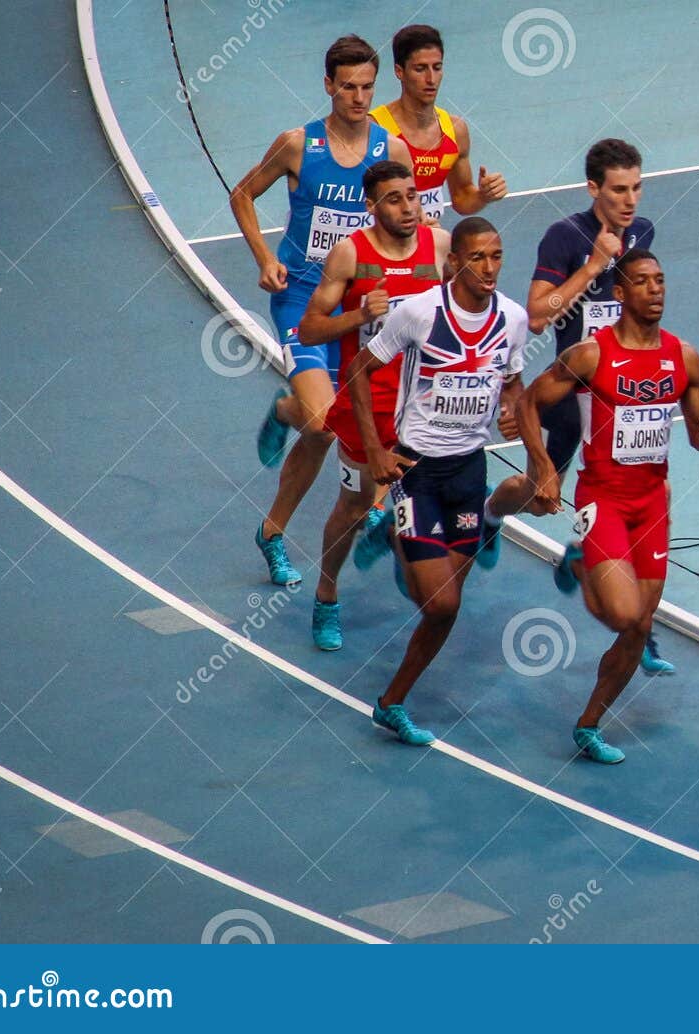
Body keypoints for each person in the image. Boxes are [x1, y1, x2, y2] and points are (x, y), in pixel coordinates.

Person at [518, 250, 699, 764]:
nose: (656, 290)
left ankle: (589, 723)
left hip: (653, 502)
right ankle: (582, 561)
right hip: (604, 498)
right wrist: (543, 465)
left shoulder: (685, 358)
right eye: (643, 282)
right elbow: (528, 401)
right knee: (623, 615)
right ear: (620, 293)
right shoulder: (592, 354)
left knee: (639, 626)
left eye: (661, 280)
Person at [483, 138, 675, 674]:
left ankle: (639, 627)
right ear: (593, 189)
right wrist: (592, 268)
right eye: (619, 189)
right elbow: (539, 314)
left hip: (620, 397)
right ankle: (491, 514)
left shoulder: (643, 233)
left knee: (639, 497)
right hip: (572, 392)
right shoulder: (564, 237)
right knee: (540, 496)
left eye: (637, 187)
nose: (630, 199)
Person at [228, 35, 409, 588]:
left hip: (360, 307)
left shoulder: (391, 151)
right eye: (348, 86)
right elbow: (242, 195)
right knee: (320, 425)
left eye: (367, 87)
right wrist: (264, 258)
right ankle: (290, 412)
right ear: (328, 86)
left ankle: (275, 532)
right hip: (301, 299)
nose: (358, 97)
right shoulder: (298, 145)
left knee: (378, 424)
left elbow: (410, 225)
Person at [345, 217, 529, 745]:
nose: (489, 267)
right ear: (454, 265)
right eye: (478, 258)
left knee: (444, 605)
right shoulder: (420, 312)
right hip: (416, 470)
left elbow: (514, 384)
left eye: (496, 256)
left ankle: (391, 703)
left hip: (471, 469)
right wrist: (376, 450)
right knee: (443, 604)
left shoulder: (512, 320)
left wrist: (514, 413)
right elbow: (360, 370)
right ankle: (401, 537)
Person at [295, 160, 451, 650]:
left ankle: (413, 559)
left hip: (425, 407)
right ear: (371, 205)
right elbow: (310, 329)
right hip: (367, 405)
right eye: (395, 199)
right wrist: (361, 315)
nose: (409, 206)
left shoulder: (439, 245)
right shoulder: (349, 254)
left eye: (412, 195)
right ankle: (326, 592)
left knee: (432, 501)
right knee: (356, 504)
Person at [369, 24, 507, 225]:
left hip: (428, 245)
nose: (431, 79)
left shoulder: (455, 130)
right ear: (399, 71)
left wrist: (483, 196)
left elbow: (461, 198)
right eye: (420, 69)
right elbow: (358, 201)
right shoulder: (374, 129)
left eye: (437, 67)